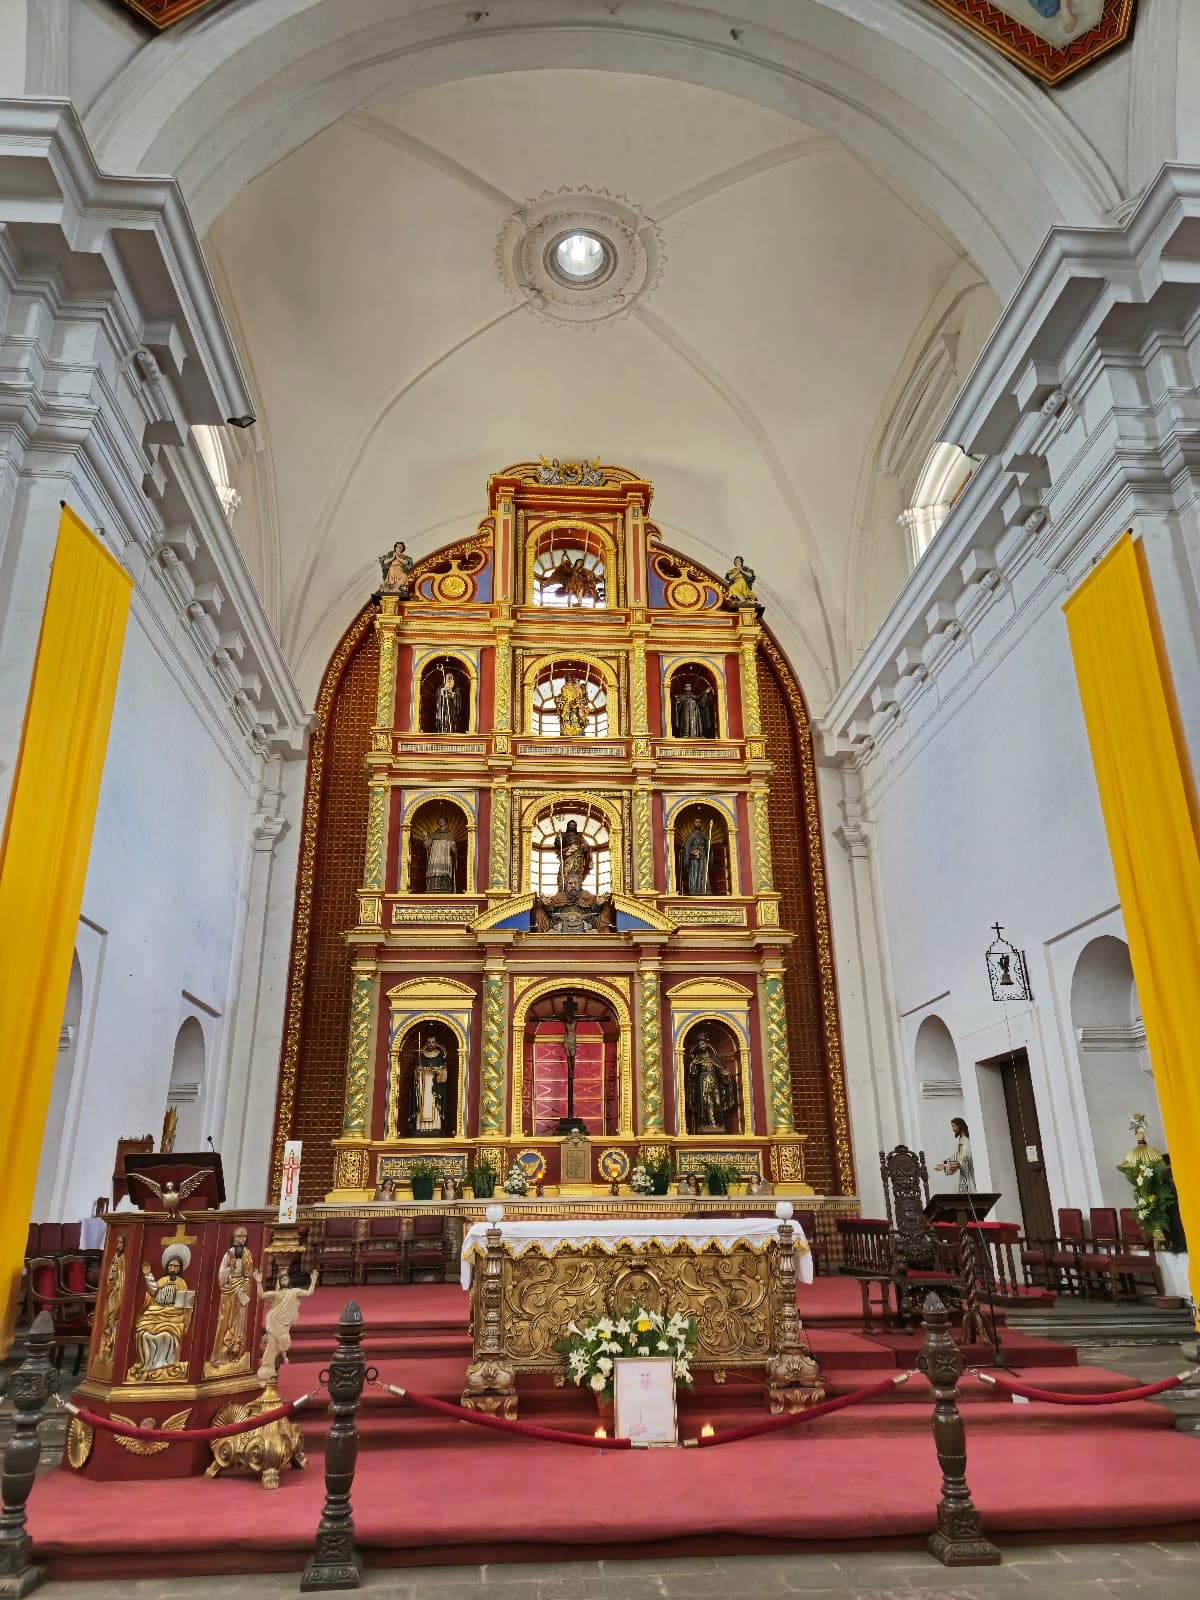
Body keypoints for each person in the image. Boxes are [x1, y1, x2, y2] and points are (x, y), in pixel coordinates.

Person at [128, 1245, 195, 1380]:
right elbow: (153, 1292)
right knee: (143, 1333)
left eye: (176, 1266)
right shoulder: (162, 1280)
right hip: (155, 1311)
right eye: (171, 1266)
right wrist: (148, 1275)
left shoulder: (182, 1283)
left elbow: (183, 1304)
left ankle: (165, 1365)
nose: (173, 1269)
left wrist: (188, 1302)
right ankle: (147, 1365)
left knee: (167, 1335)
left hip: (172, 1314)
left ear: (180, 1268)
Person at [207, 1225, 255, 1371]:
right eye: (238, 1237)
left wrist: (245, 1284)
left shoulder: (247, 1254)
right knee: (224, 1321)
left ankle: (235, 1354)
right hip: (228, 1290)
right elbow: (221, 1276)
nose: (241, 1240)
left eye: (243, 1237)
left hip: (241, 1291)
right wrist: (230, 1269)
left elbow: (249, 1275)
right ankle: (218, 1356)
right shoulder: (228, 1254)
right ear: (233, 1239)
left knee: (238, 1324)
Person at [935, 1118, 975, 1193]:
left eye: (954, 1126)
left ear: (960, 1126)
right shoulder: (962, 1141)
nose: (953, 1129)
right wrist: (945, 1164)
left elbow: (962, 1159)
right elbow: (957, 1156)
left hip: (968, 1177)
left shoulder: (964, 1141)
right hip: (964, 1177)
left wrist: (946, 1165)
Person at [421, 811, 457, 894]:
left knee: (444, 870)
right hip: (434, 856)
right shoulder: (434, 834)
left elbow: (453, 848)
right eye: (439, 821)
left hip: (445, 855)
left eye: (443, 821)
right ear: (438, 823)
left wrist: (453, 846)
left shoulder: (449, 834)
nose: (441, 822)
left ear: (446, 822)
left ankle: (444, 885)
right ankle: (432, 885)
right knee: (434, 869)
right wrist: (425, 836)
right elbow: (426, 845)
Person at [678, 815, 712, 896]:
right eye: (697, 822)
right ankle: (694, 889)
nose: (698, 824)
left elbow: (708, 847)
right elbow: (686, 847)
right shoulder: (691, 836)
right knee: (695, 873)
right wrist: (692, 852)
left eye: (700, 822)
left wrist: (709, 843)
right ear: (693, 824)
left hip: (703, 857)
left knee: (704, 872)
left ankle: (704, 889)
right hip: (695, 859)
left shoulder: (703, 836)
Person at [433, 663, 462, 733]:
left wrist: (452, 694)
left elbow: (458, 697)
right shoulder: (441, 687)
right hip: (443, 707)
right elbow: (438, 697)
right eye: (447, 678)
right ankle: (442, 730)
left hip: (452, 709)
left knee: (451, 720)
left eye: (450, 678)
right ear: (445, 679)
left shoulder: (456, 688)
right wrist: (442, 692)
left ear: (453, 679)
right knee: (443, 719)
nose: (449, 680)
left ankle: (452, 730)